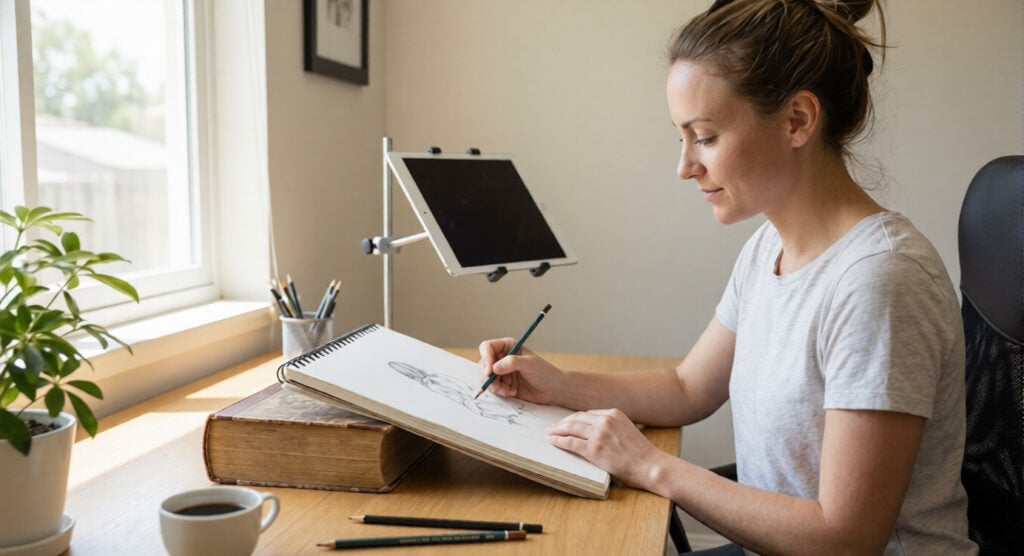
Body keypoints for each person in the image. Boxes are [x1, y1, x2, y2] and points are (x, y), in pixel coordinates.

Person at [478, 1, 978, 554]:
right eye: (681, 137)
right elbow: (689, 387)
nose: (685, 166)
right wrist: (557, 384)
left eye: (706, 136)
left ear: (798, 120)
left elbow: (846, 538)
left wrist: (648, 465)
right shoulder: (768, 246)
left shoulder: (880, 282)